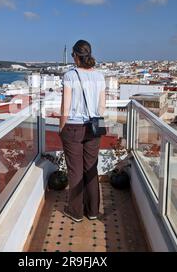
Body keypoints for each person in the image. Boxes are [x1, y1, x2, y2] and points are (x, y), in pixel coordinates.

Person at [59, 40, 106, 222]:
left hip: (73, 126)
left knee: (75, 170)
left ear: (76, 56)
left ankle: (76, 211)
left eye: (73, 55)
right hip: (95, 126)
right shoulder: (100, 76)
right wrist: (96, 120)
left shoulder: (70, 75)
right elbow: (102, 106)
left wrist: (62, 126)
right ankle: (93, 211)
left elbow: (65, 106)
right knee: (91, 169)